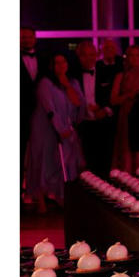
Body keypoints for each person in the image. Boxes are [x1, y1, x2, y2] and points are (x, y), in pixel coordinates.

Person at [26, 53, 86, 213]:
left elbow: (79, 104)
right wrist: (59, 128)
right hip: (45, 128)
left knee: (64, 162)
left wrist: (67, 86)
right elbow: (49, 108)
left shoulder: (72, 82)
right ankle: (40, 200)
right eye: (56, 63)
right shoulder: (45, 83)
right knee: (43, 160)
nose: (60, 66)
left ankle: (60, 196)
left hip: (66, 128)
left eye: (63, 62)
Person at [73, 41, 115, 175]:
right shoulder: (72, 75)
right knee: (86, 161)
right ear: (78, 56)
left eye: (92, 55)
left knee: (105, 160)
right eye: (84, 55)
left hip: (104, 123)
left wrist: (105, 109)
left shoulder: (107, 72)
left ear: (97, 55)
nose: (88, 58)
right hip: (82, 123)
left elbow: (114, 97)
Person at [20, 27, 40, 202]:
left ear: (35, 38)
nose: (26, 40)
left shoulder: (45, 57)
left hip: (42, 115)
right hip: (19, 115)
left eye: (28, 37)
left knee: (41, 154)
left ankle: (40, 194)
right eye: (22, 37)